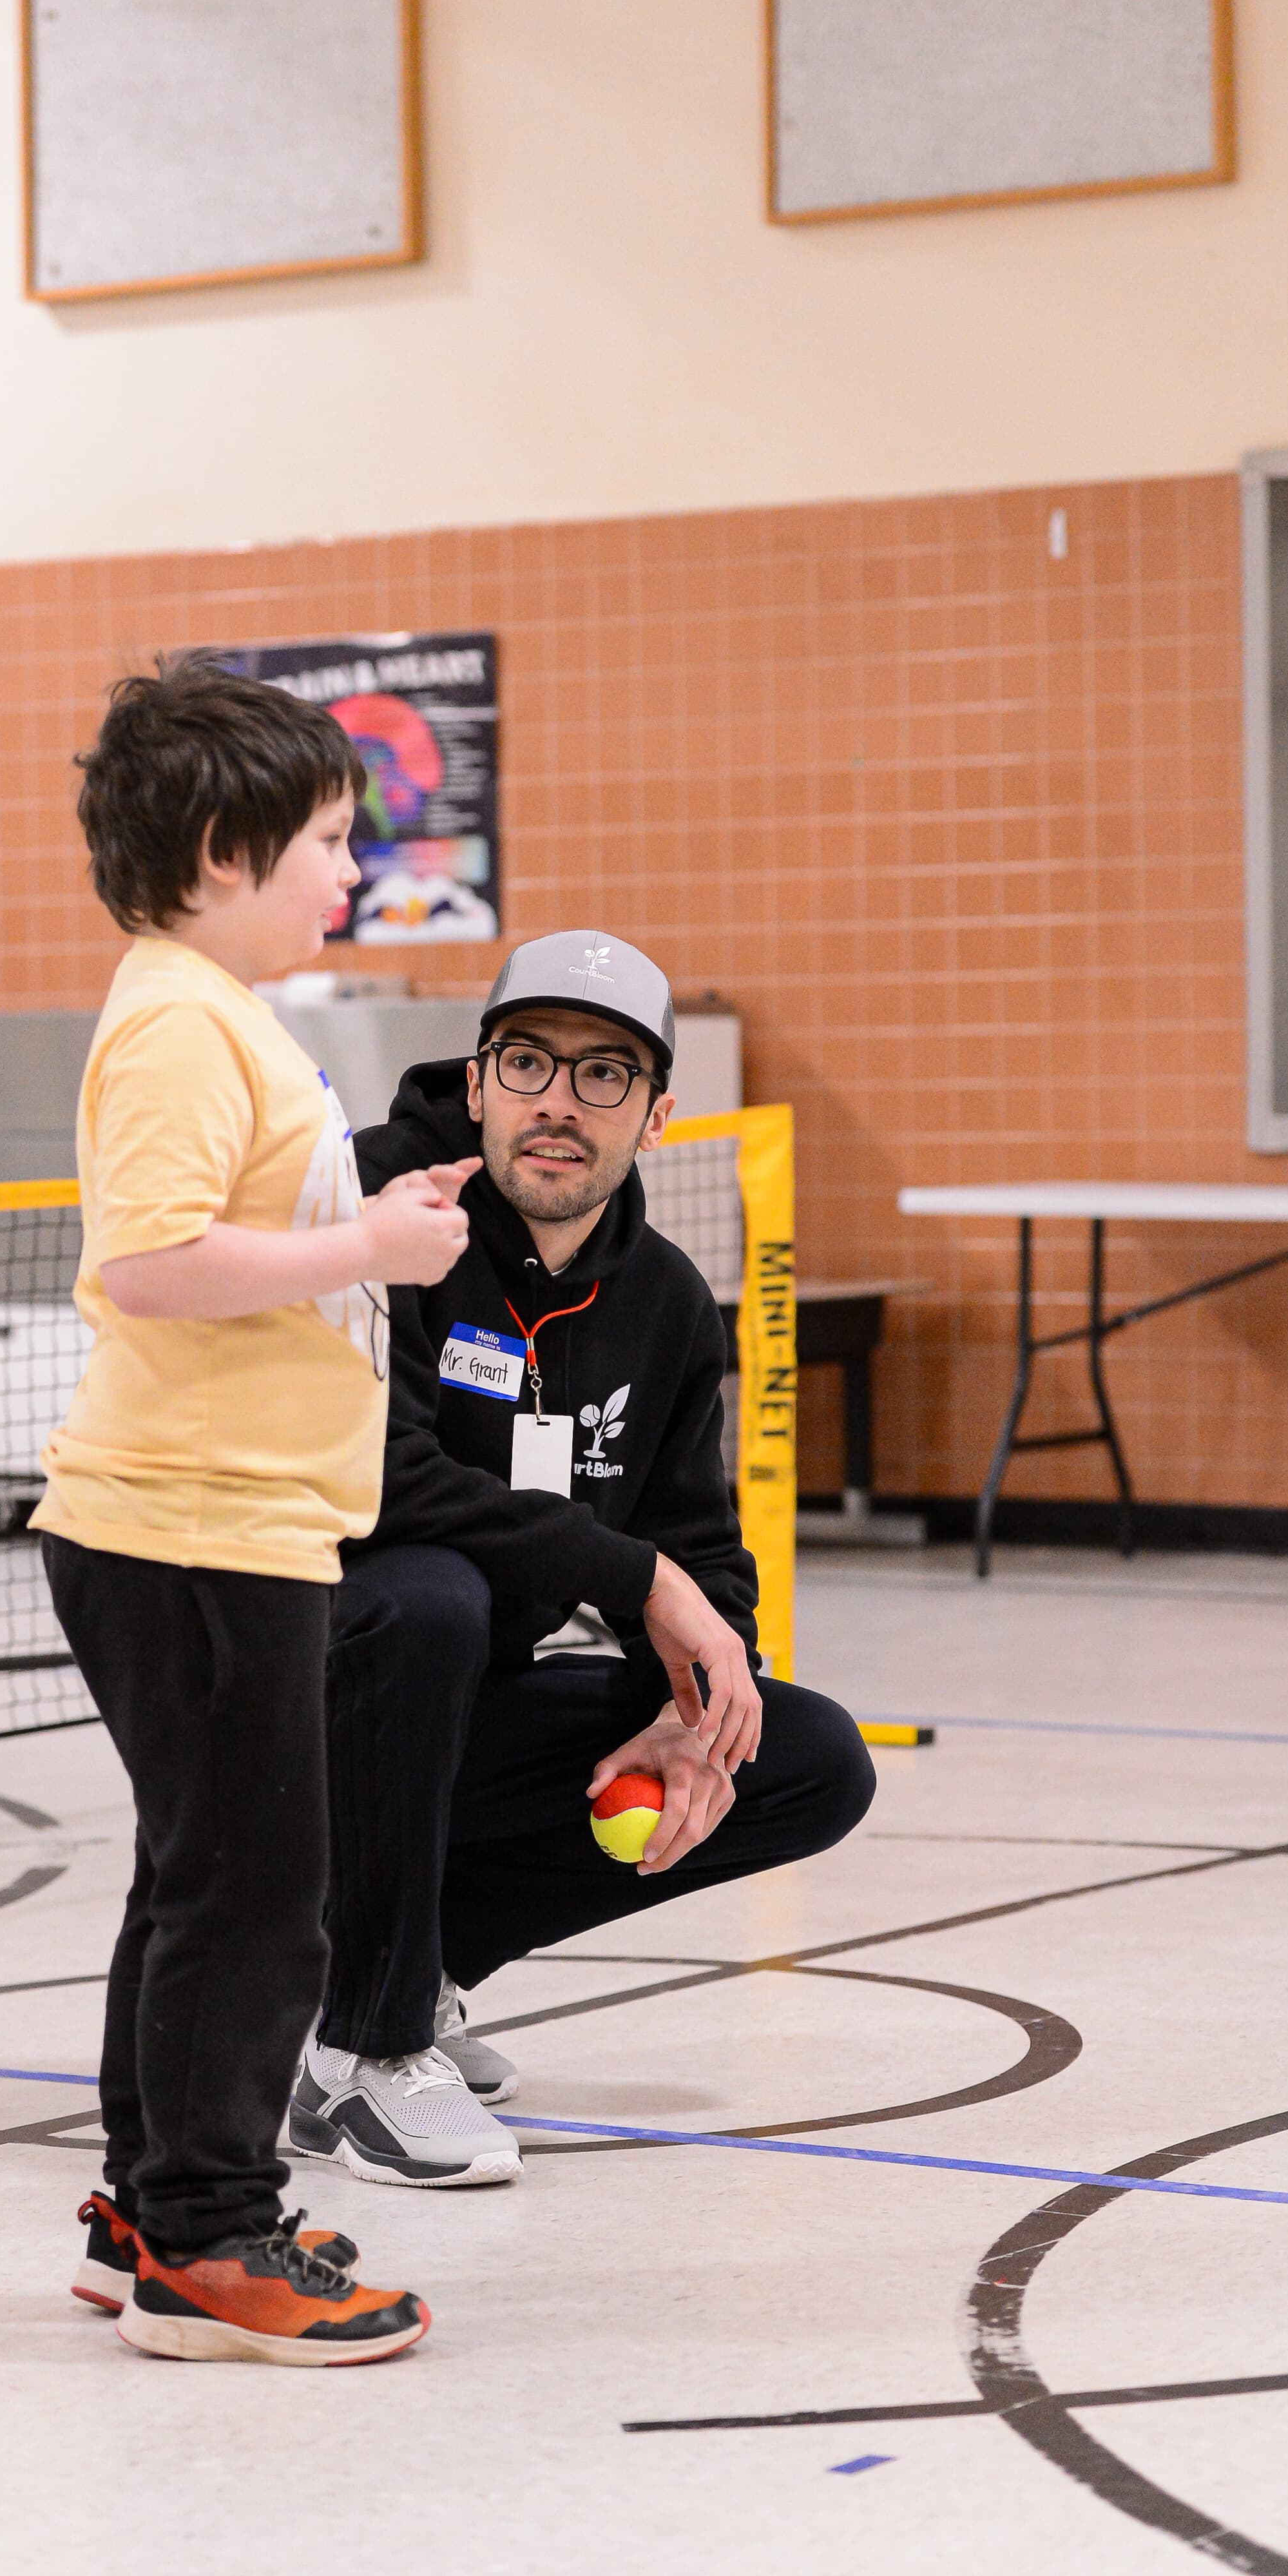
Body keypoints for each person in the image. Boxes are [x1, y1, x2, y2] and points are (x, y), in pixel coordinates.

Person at [32, 655, 478, 2361]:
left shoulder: (212, 1013)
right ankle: (210, 2245)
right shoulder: (174, 1017)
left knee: (198, 1877)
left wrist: (367, 1215)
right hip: (193, 1531)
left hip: (229, 1525)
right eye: (328, 841)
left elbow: (237, 1232)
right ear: (225, 846)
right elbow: (148, 1262)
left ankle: (154, 2202)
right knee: (254, 1896)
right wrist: (368, 1248)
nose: (350, 873)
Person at [291, 929, 876, 2188]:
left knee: (802, 1753)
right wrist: (634, 1581)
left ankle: (416, 1969)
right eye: (528, 1062)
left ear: (657, 1113)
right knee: (425, 1595)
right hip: (307, 1699)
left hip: (459, 1713)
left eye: (603, 1073)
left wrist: (691, 1707)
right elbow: (376, 1487)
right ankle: (360, 2052)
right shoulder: (381, 1213)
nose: (558, 1101)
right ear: (479, 1076)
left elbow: (700, 1549)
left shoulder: (659, 1300)